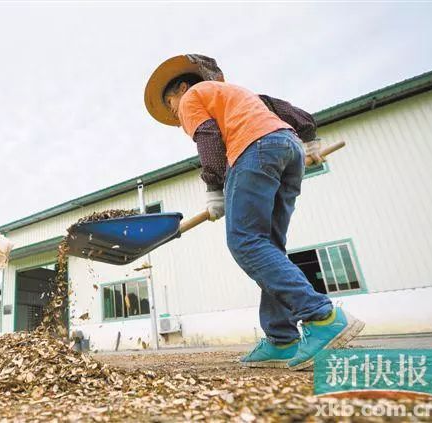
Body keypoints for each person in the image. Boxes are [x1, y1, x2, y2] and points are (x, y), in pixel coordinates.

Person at [144, 55, 364, 370]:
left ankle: (322, 316)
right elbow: (294, 113)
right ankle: (282, 339)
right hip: (288, 149)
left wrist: (214, 186)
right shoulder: (240, 95)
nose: (174, 111)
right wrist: (310, 140)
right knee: (267, 247)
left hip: (253, 150)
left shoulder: (194, 95)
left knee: (245, 241)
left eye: (170, 102)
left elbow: (207, 138)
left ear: (182, 87)